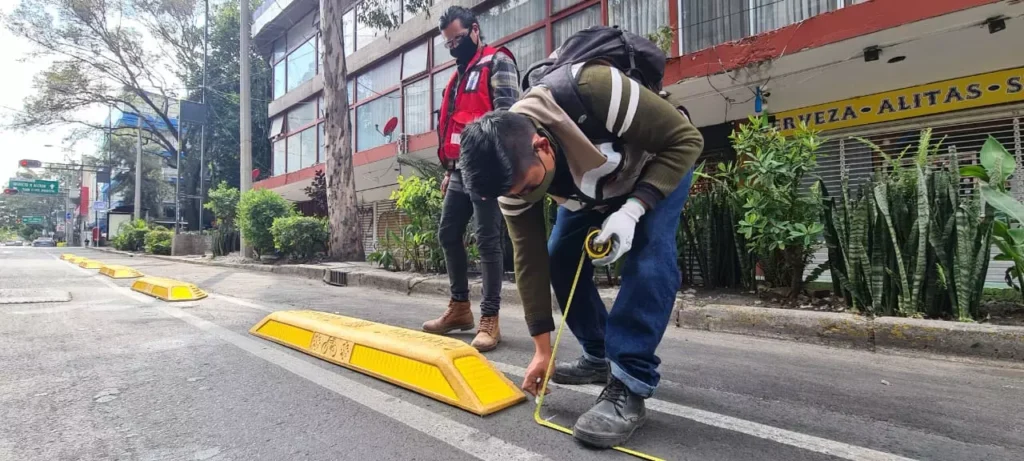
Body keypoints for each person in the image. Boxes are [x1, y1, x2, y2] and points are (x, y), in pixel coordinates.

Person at [457, 63, 703, 447]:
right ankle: (599, 354)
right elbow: (529, 259)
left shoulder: (595, 89)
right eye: (514, 194)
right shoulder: (511, 175)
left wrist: (634, 209)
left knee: (650, 255)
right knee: (558, 257)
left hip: (658, 161)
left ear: (541, 145)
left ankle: (629, 384)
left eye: (527, 187)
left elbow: (686, 140)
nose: (522, 199)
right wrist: (542, 350)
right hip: (590, 186)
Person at [421, 6, 520, 352]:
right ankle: (460, 308)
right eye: (448, 43)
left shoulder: (497, 61)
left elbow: (509, 119)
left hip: (487, 167)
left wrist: (498, 169)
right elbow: (452, 126)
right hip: (460, 169)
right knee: (448, 233)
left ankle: (489, 318)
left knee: (488, 240)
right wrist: (450, 172)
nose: (453, 47)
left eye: (458, 39)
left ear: (475, 31)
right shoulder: (458, 76)